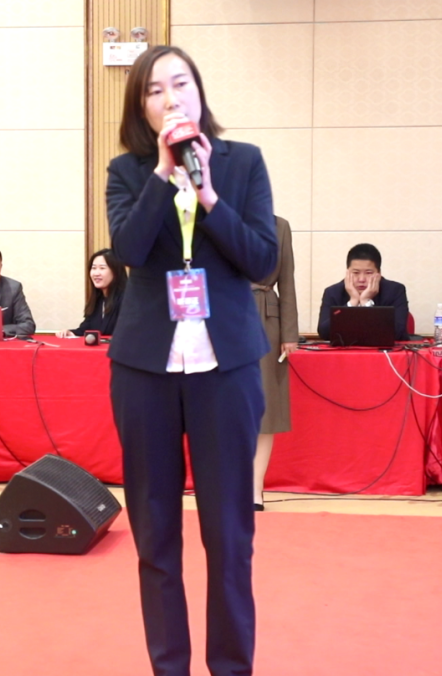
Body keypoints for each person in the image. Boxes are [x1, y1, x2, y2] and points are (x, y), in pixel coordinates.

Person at [105, 45, 277, 676]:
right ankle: (169, 668)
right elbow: (127, 250)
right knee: (155, 536)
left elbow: (262, 260)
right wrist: (162, 173)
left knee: (229, 537)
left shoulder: (243, 162)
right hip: (145, 369)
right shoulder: (127, 172)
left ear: (199, 93)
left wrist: (206, 194)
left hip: (224, 368)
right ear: (142, 108)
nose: (170, 97)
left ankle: (230, 668)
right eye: (154, 90)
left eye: (180, 84)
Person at [252, 216, 299, 511]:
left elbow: (288, 281)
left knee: (265, 410)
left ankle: (255, 488)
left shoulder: (279, 226)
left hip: (267, 320)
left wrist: (289, 333)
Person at [317, 243, 410, 341]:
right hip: (345, 349)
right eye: (356, 273)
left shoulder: (395, 291)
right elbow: (324, 333)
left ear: (379, 273)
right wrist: (352, 303)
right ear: (347, 273)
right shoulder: (333, 292)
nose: (361, 279)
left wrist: (366, 303)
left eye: (368, 273)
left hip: (384, 350)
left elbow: (398, 332)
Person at [56, 248, 128, 338]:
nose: (96, 273)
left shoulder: (127, 300)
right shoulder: (98, 300)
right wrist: (71, 333)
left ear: (116, 271)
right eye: (93, 268)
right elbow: (86, 329)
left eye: (102, 268)